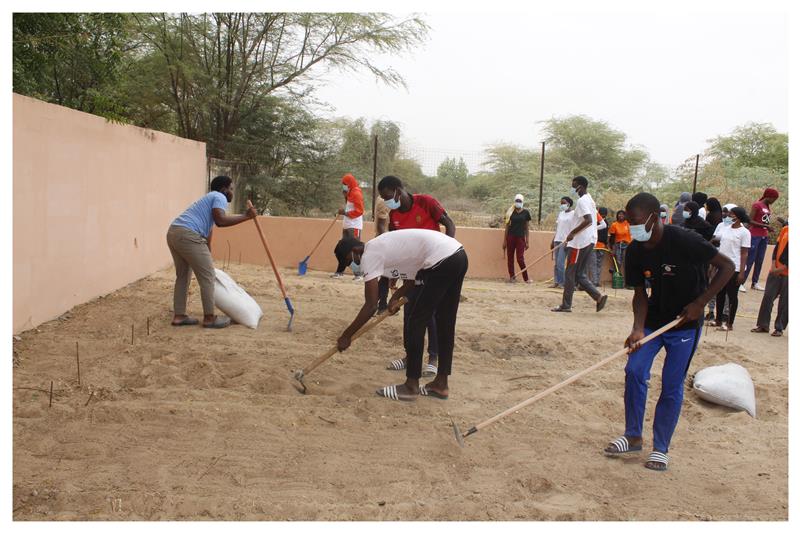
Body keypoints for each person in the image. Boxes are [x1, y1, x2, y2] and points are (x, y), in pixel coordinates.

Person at [604, 192, 734, 472]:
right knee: (634, 370)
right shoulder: (636, 249)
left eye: (636, 222)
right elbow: (640, 293)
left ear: (654, 218)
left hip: (684, 325)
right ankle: (633, 435)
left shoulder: (685, 240)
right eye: (629, 222)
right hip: (654, 321)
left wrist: (700, 303)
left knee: (671, 383)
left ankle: (661, 447)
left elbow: (727, 267)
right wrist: (638, 328)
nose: (632, 227)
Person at [334, 229, 468, 401]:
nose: (352, 266)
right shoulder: (385, 247)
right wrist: (396, 297)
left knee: (414, 322)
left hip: (440, 260)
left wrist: (346, 336)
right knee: (445, 322)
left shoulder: (369, 254)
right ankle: (441, 384)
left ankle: (411, 386)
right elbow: (413, 279)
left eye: (348, 262)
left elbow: (371, 305)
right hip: (458, 255)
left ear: (355, 252)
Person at [377, 175, 456, 377]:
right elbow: (397, 246)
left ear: (398, 190)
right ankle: (410, 356)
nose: (387, 201)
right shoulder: (394, 216)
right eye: (383, 198)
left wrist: (444, 256)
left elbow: (450, 225)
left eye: (388, 196)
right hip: (412, 271)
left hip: (434, 266)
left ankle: (433, 358)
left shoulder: (426, 202)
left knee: (429, 313)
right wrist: (394, 274)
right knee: (409, 312)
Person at [166, 175, 257, 329]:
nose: (232, 193)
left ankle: (179, 316)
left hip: (174, 232)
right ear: (224, 189)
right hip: (188, 235)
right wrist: (246, 217)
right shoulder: (219, 196)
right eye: (231, 189)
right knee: (208, 277)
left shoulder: (208, 199)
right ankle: (209, 318)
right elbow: (221, 221)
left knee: (182, 276)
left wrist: (207, 253)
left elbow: (208, 231)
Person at [551, 176, 608, 313]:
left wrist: (572, 233)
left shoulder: (582, 201)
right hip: (589, 240)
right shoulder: (589, 199)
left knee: (570, 273)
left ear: (580, 186)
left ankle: (566, 305)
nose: (572, 188)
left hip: (579, 243)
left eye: (573, 185)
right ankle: (598, 297)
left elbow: (588, 220)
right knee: (579, 274)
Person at [709, 207, 751, 331]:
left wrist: (742, 272)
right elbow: (716, 241)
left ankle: (729, 323)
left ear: (738, 216)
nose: (728, 216)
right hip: (721, 266)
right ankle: (718, 320)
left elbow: (744, 253)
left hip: (735, 267)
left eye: (732, 214)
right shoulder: (726, 229)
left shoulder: (744, 232)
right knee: (720, 294)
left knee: (732, 295)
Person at [752, 221, 788, 337]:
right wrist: (773, 265)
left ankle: (779, 327)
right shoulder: (786, 229)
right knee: (768, 297)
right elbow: (777, 247)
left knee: (785, 302)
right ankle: (763, 325)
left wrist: (782, 268)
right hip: (775, 270)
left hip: (788, 274)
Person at [742, 187, 780, 292]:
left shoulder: (767, 206)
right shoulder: (757, 205)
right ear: (768, 196)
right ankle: (742, 281)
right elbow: (749, 220)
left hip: (764, 235)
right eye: (773, 198)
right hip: (755, 235)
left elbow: (765, 221)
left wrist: (767, 228)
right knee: (750, 259)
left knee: (760, 260)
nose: (774, 201)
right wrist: (764, 225)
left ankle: (755, 282)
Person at [332, 173, 365, 279]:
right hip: (347, 225)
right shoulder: (349, 192)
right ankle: (340, 271)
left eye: (345, 184)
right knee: (342, 250)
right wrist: (345, 197)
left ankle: (358, 274)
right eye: (343, 184)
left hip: (354, 226)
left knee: (354, 251)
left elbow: (359, 211)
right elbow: (350, 207)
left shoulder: (356, 193)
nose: (343, 185)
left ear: (350, 183)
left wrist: (345, 213)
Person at [502, 194, 532, 283]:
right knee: (510, 258)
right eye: (517, 201)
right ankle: (512, 277)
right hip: (510, 237)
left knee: (520, 259)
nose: (518, 203)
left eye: (520, 201)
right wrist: (504, 240)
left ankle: (526, 278)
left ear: (522, 202)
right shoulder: (510, 212)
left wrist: (527, 241)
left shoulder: (526, 213)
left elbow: (526, 228)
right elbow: (507, 226)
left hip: (520, 238)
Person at [551, 196, 574, 289]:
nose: (562, 205)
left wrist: (569, 241)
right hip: (557, 240)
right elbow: (558, 228)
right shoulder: (561, 214)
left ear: (568, 204)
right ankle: (556, 281)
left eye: (563, 203)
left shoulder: (573, 214)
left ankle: (562, 283)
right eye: (561, 203)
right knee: (556, 263)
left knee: (560, 263)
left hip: (565, 241)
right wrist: (553, 240)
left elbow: (573, 228)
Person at [374, 194, 392, 313]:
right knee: (386, 276)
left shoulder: (384, 200)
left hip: (386, 240)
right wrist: (387, 244)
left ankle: (378, 304)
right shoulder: (384, 201)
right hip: (386, 242)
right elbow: (381, 225)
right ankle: (379, 304)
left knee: (387, 275)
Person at [608, 210, 632, 279]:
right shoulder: (614, 225)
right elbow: (612, 238)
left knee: (626, 262)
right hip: (618, 245)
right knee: (618, 262)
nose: (621, 216)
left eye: (622, 214)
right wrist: (612, 248)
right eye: (619, 214)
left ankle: (627, 281)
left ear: (625, 216)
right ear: (617, 216)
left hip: (627, 245)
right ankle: (616, 278)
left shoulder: (627, 223)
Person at [590, 207, 610, 287]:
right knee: (594, 264)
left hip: (600, 246)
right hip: (595, 246)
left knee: (597, 264)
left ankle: (596, 281)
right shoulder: (598, 222)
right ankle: (594, 281)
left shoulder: (602, 223)